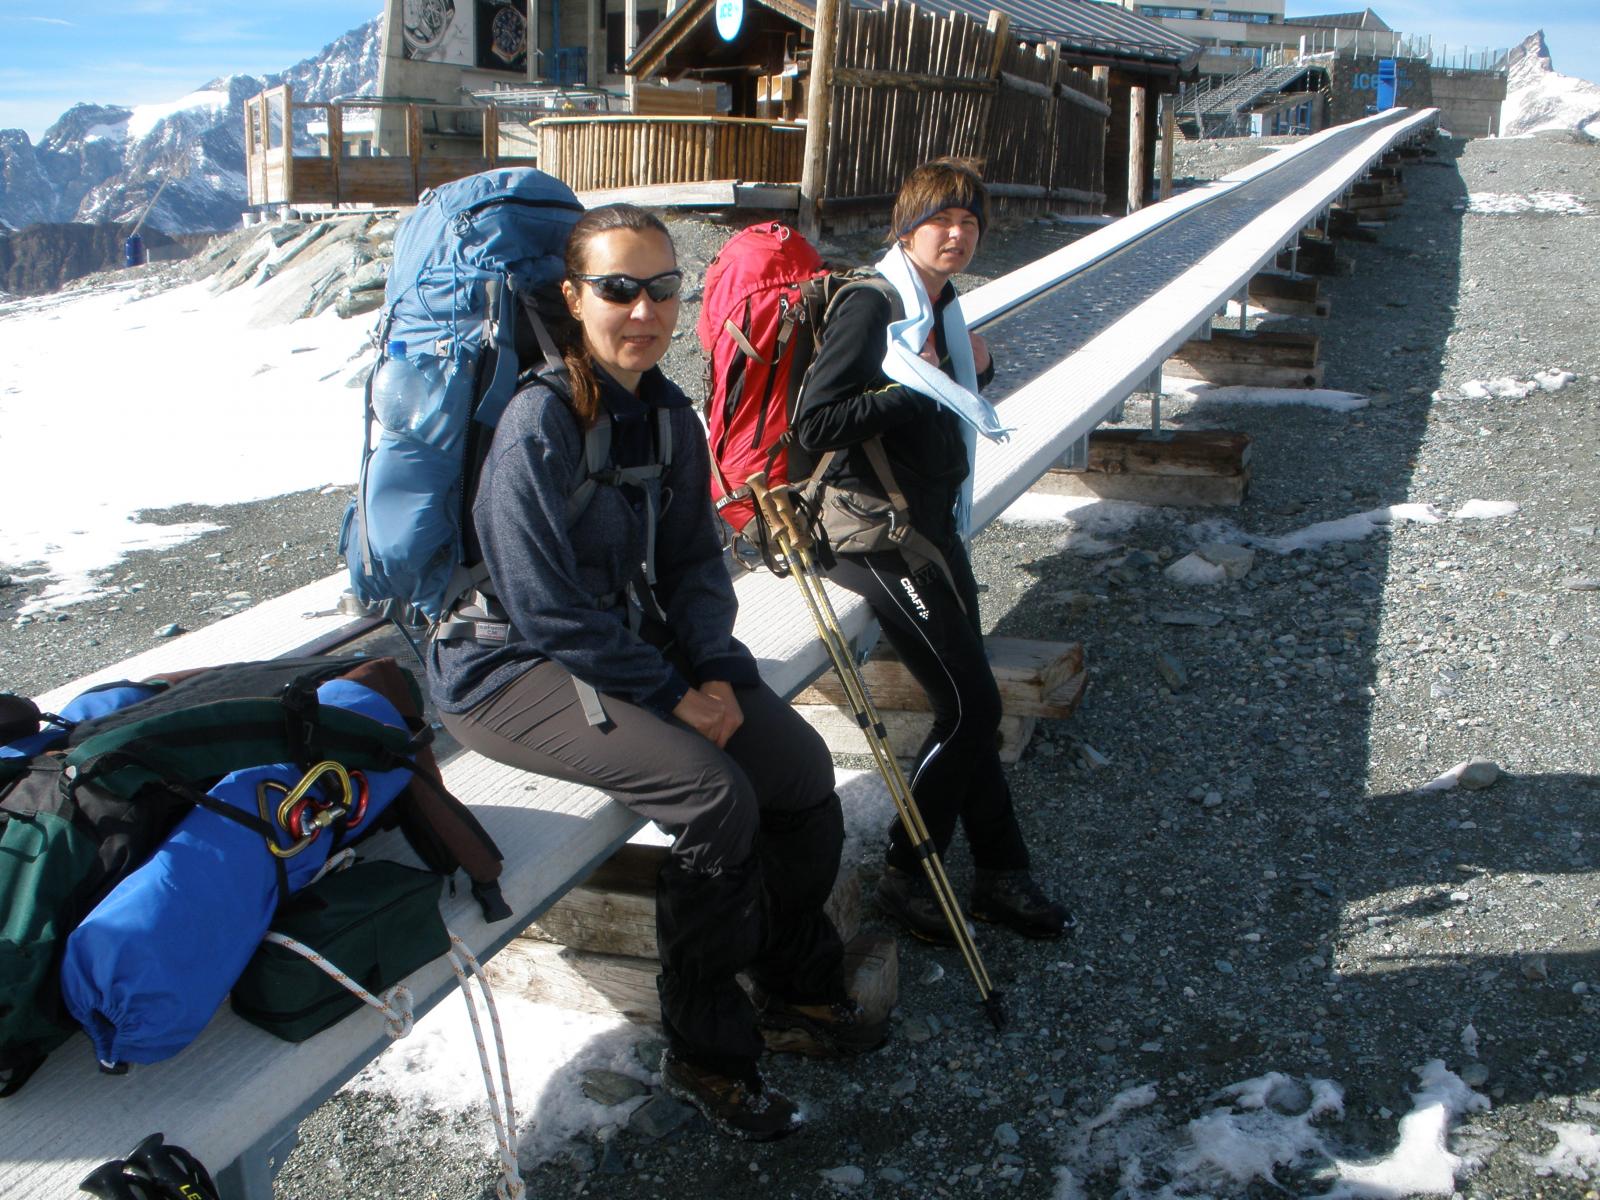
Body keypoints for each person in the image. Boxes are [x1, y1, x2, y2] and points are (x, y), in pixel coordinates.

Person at [428, 204, 882, 1141]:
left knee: (798, 773)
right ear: (574, 298)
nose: (644, 310)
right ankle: (706, 1051)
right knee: (715, 799)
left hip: (621, 646)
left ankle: (792, 980)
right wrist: (674, 694)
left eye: (663, 288)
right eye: (618, 289)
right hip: (507, 668)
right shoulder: (538, 422)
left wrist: (713, 666)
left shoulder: (668, 415)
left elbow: (693, 566)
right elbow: (543, 605)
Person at [793, 159, 1074, 944]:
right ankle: (907, 874)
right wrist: (915, 384)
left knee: (972, 703)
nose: (956, 234)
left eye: (969, 221)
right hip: (874, 538)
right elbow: (815, 424)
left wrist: (967, 368)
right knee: (971, 707)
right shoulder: (873, 304)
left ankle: (1001, 875)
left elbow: (945, 394)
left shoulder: (940, 305)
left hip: (930, 528)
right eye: (940, 220)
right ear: (905, 228)